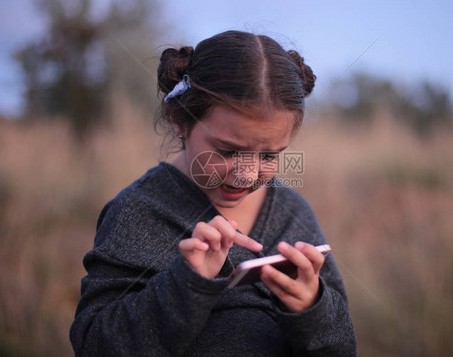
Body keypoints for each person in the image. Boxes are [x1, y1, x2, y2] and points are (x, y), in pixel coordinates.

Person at [70, 30, 356, 356]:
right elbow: (94, 344)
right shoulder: (138, 211)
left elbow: (341, 347)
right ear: (180, 120)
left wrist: (312, 307)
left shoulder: (292, 212)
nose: (247, 174)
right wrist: (187, 283)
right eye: (228, 151)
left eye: (268, 156)